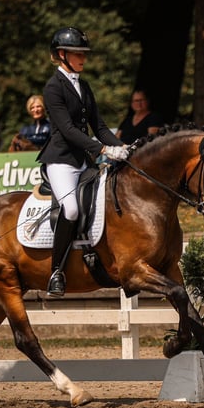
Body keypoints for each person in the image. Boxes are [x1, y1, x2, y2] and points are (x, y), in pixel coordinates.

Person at [39, 26, 128, 297]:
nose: (83, 59)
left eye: (84, 54)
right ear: (62, 54)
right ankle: (57, 271)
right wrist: (102, 149)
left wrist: (122, 147)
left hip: (84, 161)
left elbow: (98, 126)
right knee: (72, 209)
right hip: (62, 161)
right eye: (78, 54)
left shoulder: (84, 85)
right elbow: (67, 130)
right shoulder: (53, 88)